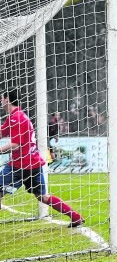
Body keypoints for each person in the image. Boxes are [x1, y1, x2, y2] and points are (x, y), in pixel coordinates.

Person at [0, 89, 84, 227]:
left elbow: (16, 144)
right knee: (43, 197)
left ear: (8, 100)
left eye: (2, 98)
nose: (1, 100)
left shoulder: (17, 118)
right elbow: (2, 132)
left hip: (21, 164)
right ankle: (76, 217)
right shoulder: (16, 117)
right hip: (34, 163)